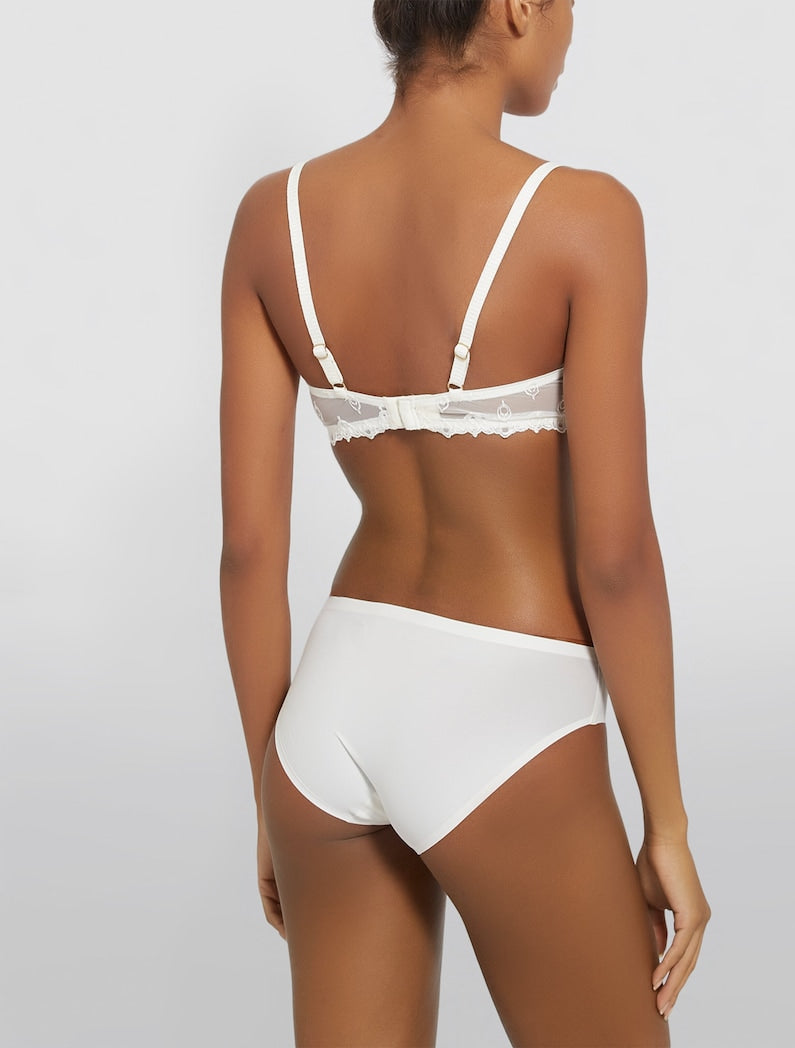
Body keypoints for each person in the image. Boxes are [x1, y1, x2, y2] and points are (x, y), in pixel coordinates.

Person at [219, 1, 710, 1044]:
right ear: (516, 6)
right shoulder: (584, 217)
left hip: (329, 713)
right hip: (505, 709)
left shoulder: (273, 219)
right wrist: (665, 817)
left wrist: (269, 786)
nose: (573, 27)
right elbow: (616, 558)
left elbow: (249, 553)